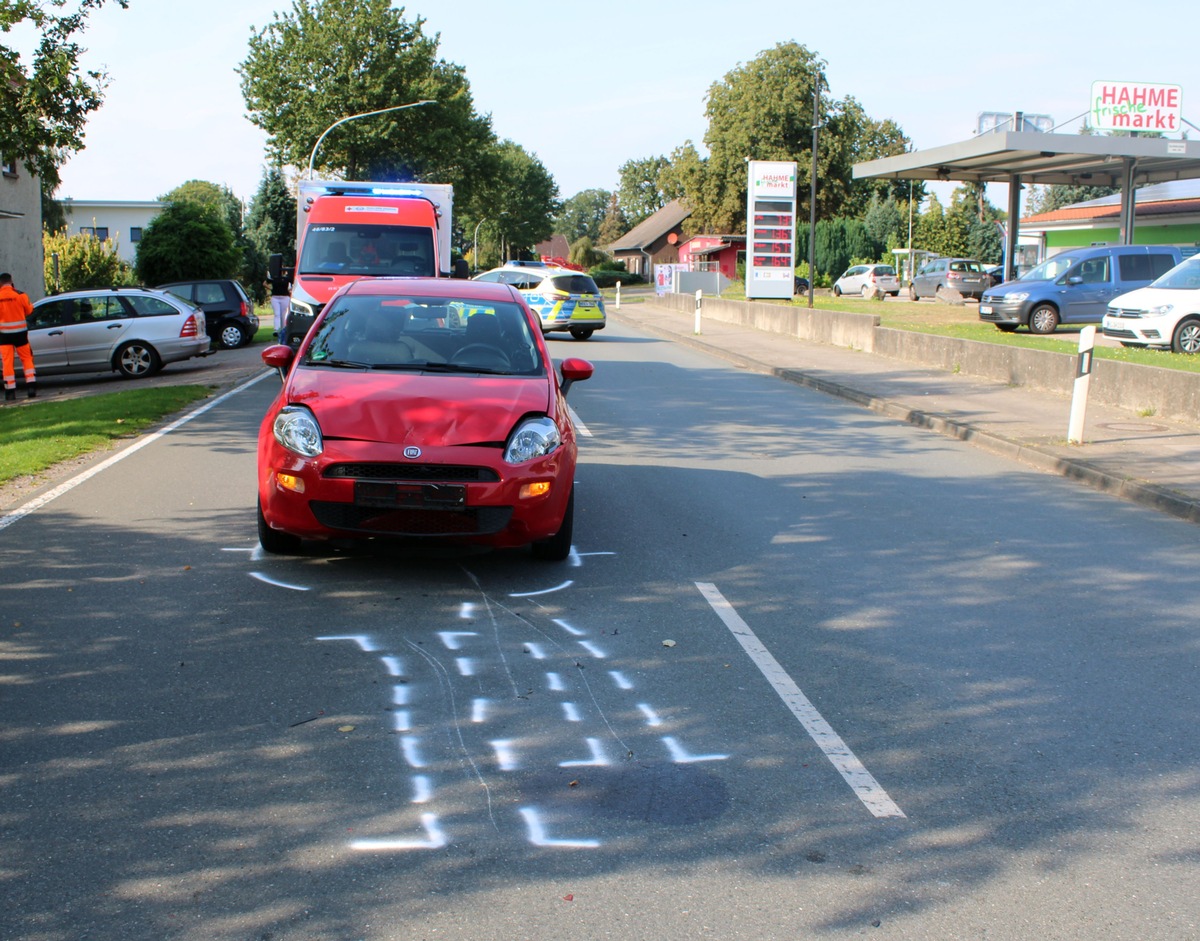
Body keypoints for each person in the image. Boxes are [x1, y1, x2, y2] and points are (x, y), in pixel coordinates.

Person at [0, 272, 35, 401]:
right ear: (11, 281)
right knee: (26, 359)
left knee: (7, 362)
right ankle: (31, 387)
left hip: (4, 336)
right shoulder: (20, 295)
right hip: (20, 334)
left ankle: (10, 391)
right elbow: (29, 310)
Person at [268, 265, 292, 341]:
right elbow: (265, 283)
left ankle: (283, 329)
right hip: (277, 297)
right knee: (277, 314)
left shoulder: (285, 278)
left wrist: (271, 289)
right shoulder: (275, 278)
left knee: (283, 314)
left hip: (283, 297)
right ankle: (277, 329)